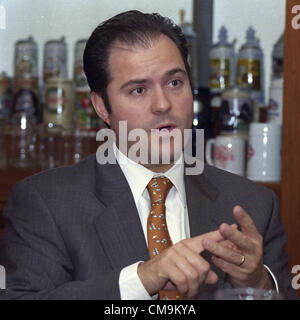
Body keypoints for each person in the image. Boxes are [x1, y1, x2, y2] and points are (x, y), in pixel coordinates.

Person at [0, 10, 296, 300]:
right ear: (102, 107)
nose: (163, 104)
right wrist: (141, 280)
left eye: (175, 83)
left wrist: (257, 283)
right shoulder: (47, 202)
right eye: (139, 90)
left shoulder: (253, 205)